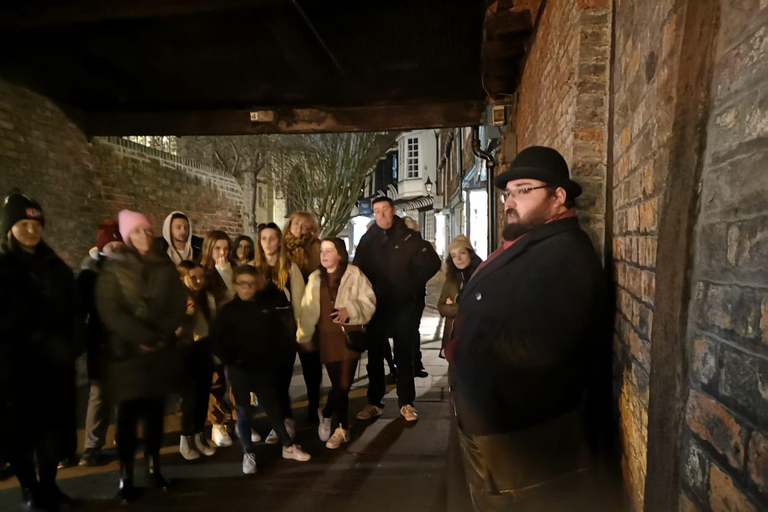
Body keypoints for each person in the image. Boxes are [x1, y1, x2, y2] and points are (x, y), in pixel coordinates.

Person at [446, 146, 608, 511]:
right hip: (491, 421)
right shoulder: (533, 244)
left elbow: (543, 347)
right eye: (508, 193)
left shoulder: (564, 254)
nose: (509, 201)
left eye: (523, 190)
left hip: (521, 435)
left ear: (558, 196)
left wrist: (470, 344)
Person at [96, 209, 187, 503]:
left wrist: (162, 335)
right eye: (137, 232)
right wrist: (142, 337)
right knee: (126, 420)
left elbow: (176, 302)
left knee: (155, 418)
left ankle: (154, 466)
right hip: (127, 357)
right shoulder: (114, 268)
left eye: (146, 230)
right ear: (127, 237)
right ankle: (126, 475)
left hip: (158, 355)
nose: (144, 236)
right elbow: (111, 310)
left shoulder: (165, 266)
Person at [0, 191, 81, 511]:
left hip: (56, 366)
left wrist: (72, 345)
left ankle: (48, 485)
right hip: (17, 368)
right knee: (19, 434)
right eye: (23, 224)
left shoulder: (56, 267)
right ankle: (30, 489)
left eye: (36, 224)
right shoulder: (4, 268)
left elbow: (75, 311)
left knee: (54, 433)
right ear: (10, 228)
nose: (32, 231)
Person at [211, 265, 311, 475]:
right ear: (235, 285)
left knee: (273, 407)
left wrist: (276, 357)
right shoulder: (228, 311)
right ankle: (248, 452)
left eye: (252, 283)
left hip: (263, 369)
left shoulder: (264, 307)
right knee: (244, 412)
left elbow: (278, 334)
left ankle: (287, 446)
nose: (248, 288)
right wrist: (233, 359)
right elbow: (217, 342)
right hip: (239, 370)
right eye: (243, 283)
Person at [353, 197, 440, 422]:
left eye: (384, 210)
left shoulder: (410, 237)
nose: (380, 215)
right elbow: (357, 270)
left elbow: (432, 263)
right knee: (374, 357)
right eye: (376, 211)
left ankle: (407, 403)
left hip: (403, 306)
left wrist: (411, 286)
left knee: (404, 355)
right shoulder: (368, 239)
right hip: (377, 306)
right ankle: (374, 402)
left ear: (393, 211)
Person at [297, 238, 376, 449]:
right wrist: (303, 337)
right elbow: (307, 310)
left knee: (343, 384)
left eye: (329, 251)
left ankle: (340, 426)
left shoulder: (354, 274)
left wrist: (349, 311)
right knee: (338, 385)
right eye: (322, 251)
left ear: (339, 254)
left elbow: (369, 301)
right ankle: (331, 415)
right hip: (327, 339)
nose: (324, 255)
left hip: (349, 337)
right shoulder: (315, 278)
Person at [77, 219, 124, 468]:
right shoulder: (90, 273)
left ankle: (122, 439)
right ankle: (92, 448)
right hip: (101, 343)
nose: (115, 247)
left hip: (126, 343)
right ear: (102, 247)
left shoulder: (131, 269)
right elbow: (79, 307)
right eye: (110, 243)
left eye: (118, 242)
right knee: (99, 396)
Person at [253, 222, 305, 442]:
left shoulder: (289, 268)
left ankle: (286, 422)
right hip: (258, 328)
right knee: (265, 381)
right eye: (264, 239)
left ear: (280, 241)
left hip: (283, 327)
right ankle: (276, 420)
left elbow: (301, 303)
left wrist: (302, 332)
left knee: (282, 379)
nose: (268, 243)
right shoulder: (252, 267)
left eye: (272, 238)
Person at [282, 211, 323, 424]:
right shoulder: (281, 249)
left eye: (304, 225)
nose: (299, 228)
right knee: (284, 368)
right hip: (286, 314)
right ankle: (285, 414)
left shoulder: (317, 247)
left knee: (311, 365)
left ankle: (314, 407)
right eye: (296, 224)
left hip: (310, 312)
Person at [175, 261, 218, 460]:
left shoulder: (205, 297)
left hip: (204, 349)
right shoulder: (177, 300)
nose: (199, 281)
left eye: (201, 276)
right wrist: (187, 316)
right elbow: (173, 331)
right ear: (182, 278)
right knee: (190, 398)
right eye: (193, 277)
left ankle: (200, 436)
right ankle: (186, 439)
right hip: (186, 352)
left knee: (203, 395)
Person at [200, 230, 236, 447]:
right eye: (217, 248)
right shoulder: (203, 273)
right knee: (216, 382)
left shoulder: (233, 270)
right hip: (212, 335)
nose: (222, 253)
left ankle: (240, 422)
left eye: (225, 248)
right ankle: (217, 424)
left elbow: (235, 300)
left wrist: (226, 271)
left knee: (236, 381)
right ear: (209, 249)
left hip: (233, 335)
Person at [437, 235, 482, 359]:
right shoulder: (451, 279)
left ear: (470, 254)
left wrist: (454, 305)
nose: (459, 259)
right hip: (453, 335)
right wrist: (460, 308)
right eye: (454, 255)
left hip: (475, 333)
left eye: (462, 253)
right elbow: (441, 307)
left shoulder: (480, 276)